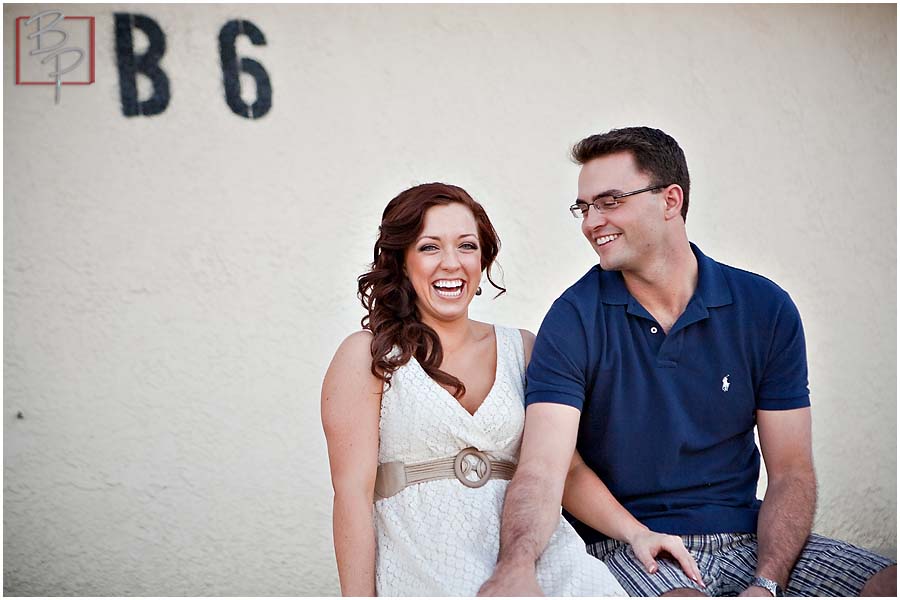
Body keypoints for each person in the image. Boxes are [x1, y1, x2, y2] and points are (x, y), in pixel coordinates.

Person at [479, 127, 897, 597]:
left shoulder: (764, 308)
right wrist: (515, 564)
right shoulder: (573, 318)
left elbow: (792, 473)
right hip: (633, 548)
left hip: (752, 540)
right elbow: (542, 470)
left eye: (610, 201)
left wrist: (767, 582)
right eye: (584, 207)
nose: (590, 222)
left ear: (670, 200)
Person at [321, 182, 699, 596]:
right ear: (402, 261)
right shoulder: (369, 356)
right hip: (422, 561)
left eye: (467, 246)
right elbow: (352, 496)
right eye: (430, 247)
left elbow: (567, 471)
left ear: (482, 259)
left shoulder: (523, 348)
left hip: (533, 561)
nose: (451, 263)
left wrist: (637, 533)